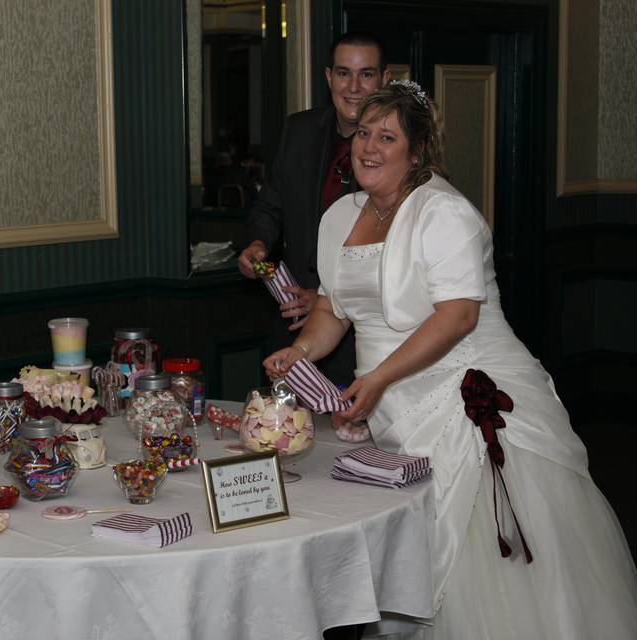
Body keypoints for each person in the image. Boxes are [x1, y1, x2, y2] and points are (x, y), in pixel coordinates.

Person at [264, 82, 637, 638]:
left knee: (480, 559)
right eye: (363, 133)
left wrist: (378, 379)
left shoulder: (445, 212)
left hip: (466, 392)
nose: (369, 146)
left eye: (386, 136)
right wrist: (301, 349)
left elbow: (458, 317)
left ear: (416, 152)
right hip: (391, 405)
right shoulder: (340, 217)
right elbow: (333, 311)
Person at [239, 32, 391, 387]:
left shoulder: (396, 151)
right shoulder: (299, 131)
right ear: (328, 78)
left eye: (366, 74)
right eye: (343, 73)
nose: (353, 87)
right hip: (291, 327)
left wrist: (327, 299)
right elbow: (270, 206)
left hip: (361, 344)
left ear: (385, 80)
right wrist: (256, 245)